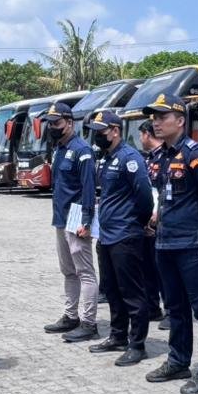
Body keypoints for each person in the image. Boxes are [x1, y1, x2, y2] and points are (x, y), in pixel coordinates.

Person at [142, 93, 198, 394]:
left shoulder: (195, 153)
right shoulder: (161, 155)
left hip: (191, 243)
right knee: (175, 308)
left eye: (162, 117)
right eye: (154, 117)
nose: (156, 122)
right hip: (164, 243)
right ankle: (178, 361)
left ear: (180, 120)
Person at [86, 110, 154, 366]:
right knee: (112, 290)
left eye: (101, 132)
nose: (98, 137)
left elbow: (145, 197)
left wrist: (137, 222)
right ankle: (117, 336)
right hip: (106, 235)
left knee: (132, 292)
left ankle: (137, 344)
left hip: (126, 235)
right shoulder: (105, 158)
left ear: (115, 130)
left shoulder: (130, 158)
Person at [38, 102, 100, 343]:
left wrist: (87, 220)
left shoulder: (82, 150)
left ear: (69, 123)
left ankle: (88, 322)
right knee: (68, 271)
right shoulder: (60, 149)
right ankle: (71, 316)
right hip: (61, 219)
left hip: (77, 219)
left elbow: (88, 188)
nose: (52, 127)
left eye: (57, 123)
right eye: (50, 123)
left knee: (85, 272)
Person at [137, 121, 167, 329]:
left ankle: (172, 312)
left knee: (162, 269)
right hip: (148, 221)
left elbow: (163, 190)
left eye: (141, 134)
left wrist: (157, 213)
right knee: (148, 267)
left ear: (147, 134)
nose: (141, 139)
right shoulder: (149, 159)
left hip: (161, 221)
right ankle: (152, 306)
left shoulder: (166, 157)